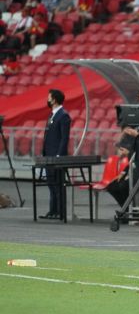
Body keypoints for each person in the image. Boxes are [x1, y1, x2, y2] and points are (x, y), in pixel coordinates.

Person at [40, 89, 71, 219]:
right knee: (51, 185)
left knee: (58, 185)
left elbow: (64, 137)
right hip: (48, 156)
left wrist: (59, 155)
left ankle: (60, 211)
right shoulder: (51, 115)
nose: (47, 100)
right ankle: (52, 210)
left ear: (54, 100)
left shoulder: (63, 115)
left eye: (49, 97)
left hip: (56, 156)